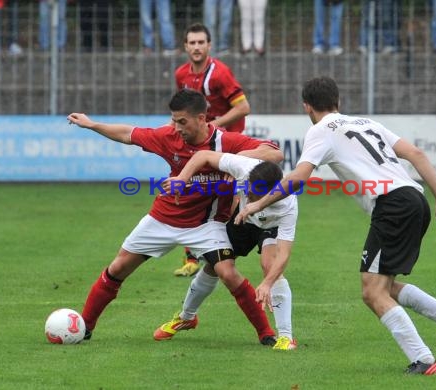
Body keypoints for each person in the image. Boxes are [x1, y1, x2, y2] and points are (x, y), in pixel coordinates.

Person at [236, 76, 436, 375]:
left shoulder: (320, 130)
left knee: (372, 292)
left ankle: (424, 360)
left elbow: (298, 177)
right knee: (382, 285)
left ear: (306, 106)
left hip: (392, 205)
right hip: (415, 198)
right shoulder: (366, 122)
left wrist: (257, 204)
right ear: (339, 102)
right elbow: (416, 154)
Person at [66, 89, 282, 345]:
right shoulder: (168, 137)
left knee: (227, 271)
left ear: (202, 119)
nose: (176, 127)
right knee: (118, 267)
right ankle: (85, 327)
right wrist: (92, 125)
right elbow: (129, 134)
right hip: (162, 218)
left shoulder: (225, 143)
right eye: (173, 120)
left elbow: (274, 154)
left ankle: (266, 334)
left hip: (206, 224)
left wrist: (231, 160)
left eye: (182, 122)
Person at [156, 151, 298, 350]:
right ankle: (186, 317)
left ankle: (286, 337)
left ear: (271, 193)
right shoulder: (244, 167)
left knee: (271, 267)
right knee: (215, 265)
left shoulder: (286, 206)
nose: (248, 193)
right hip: (243, 220)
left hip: (270, 227)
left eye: (254, 193)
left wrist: (266, 284)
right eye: (248, 187)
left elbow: (284, 254)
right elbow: (203, 155)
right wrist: (182, 179)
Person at [173, 23, 251, 277]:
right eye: (192, 43)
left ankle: (227, 249)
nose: (196, 47)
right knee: (187, 189)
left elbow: (243, 108)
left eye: (200, 42)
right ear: (185, 46)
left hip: (226, 142)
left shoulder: (219, 74)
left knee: (229, 197)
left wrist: (212, 125)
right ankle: (191, 256)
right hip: (200, 142)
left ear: (209, 45)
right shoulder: (181, 74)